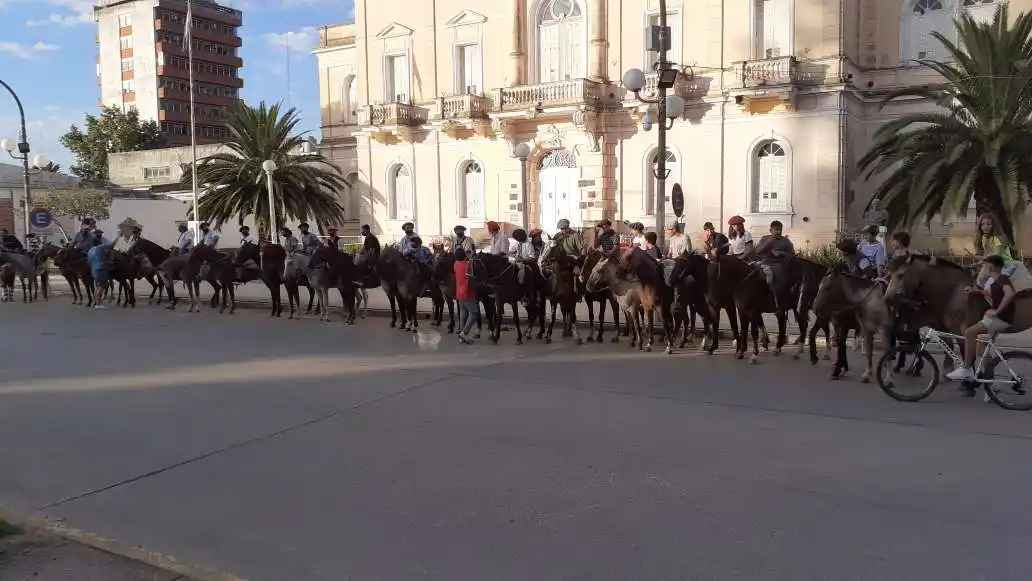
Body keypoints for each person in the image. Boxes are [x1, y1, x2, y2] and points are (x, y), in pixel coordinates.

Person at [947, 255, 1017, 384]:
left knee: (969, 332)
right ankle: (991, 376)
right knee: (981, 349)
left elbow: (1010, 294)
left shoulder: (1002, 279)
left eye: (984, 265)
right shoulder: (996, 281)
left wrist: (997, 311)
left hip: (1000, 319)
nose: (982, 268)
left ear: (991, 266)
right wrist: (975, 291)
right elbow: (993, 294)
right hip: (996, 318)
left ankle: (967, 369)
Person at [754, 220, 795, 308]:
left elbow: (792, 254)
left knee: (776, 278)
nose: (778, 232)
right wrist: (769, 242)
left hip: (779, 264)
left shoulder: (785, 241)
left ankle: (778, 301)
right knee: (755, 275)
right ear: (771, 230)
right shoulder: (765, 238)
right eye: (776, 229)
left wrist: (781, 253)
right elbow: (757, 251)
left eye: (780, 230)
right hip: (765, 263)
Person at [87, 230, 119, 309]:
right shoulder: (101, 247)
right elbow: (112, 245)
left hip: (94, 271)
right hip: (101, 269)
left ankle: (97, 303)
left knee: (97, 287)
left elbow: (88, 262)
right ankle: (98, 304)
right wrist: (118, 236)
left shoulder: (90, 251)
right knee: (101, 287)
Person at [453, 248, 479, 344]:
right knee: (474, 313)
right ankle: (464, 333)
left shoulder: (455, 264)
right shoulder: (468, 264)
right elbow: (472, 276)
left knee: (463, 313)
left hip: (459, 292)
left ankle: (462, 335)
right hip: (468, 292)